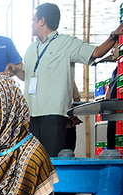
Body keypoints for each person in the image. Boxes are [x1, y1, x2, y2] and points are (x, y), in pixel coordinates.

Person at [7, 2, 123, 157]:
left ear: (42, 21)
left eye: (33, 20)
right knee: (32, 163)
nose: (31, 24)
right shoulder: (30, 49)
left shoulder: (66, 43)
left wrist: (114, 35)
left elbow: (96, 52)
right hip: (31, 116)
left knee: (52, 163)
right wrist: (16, 71)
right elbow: (27, 76)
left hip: (53, 116)